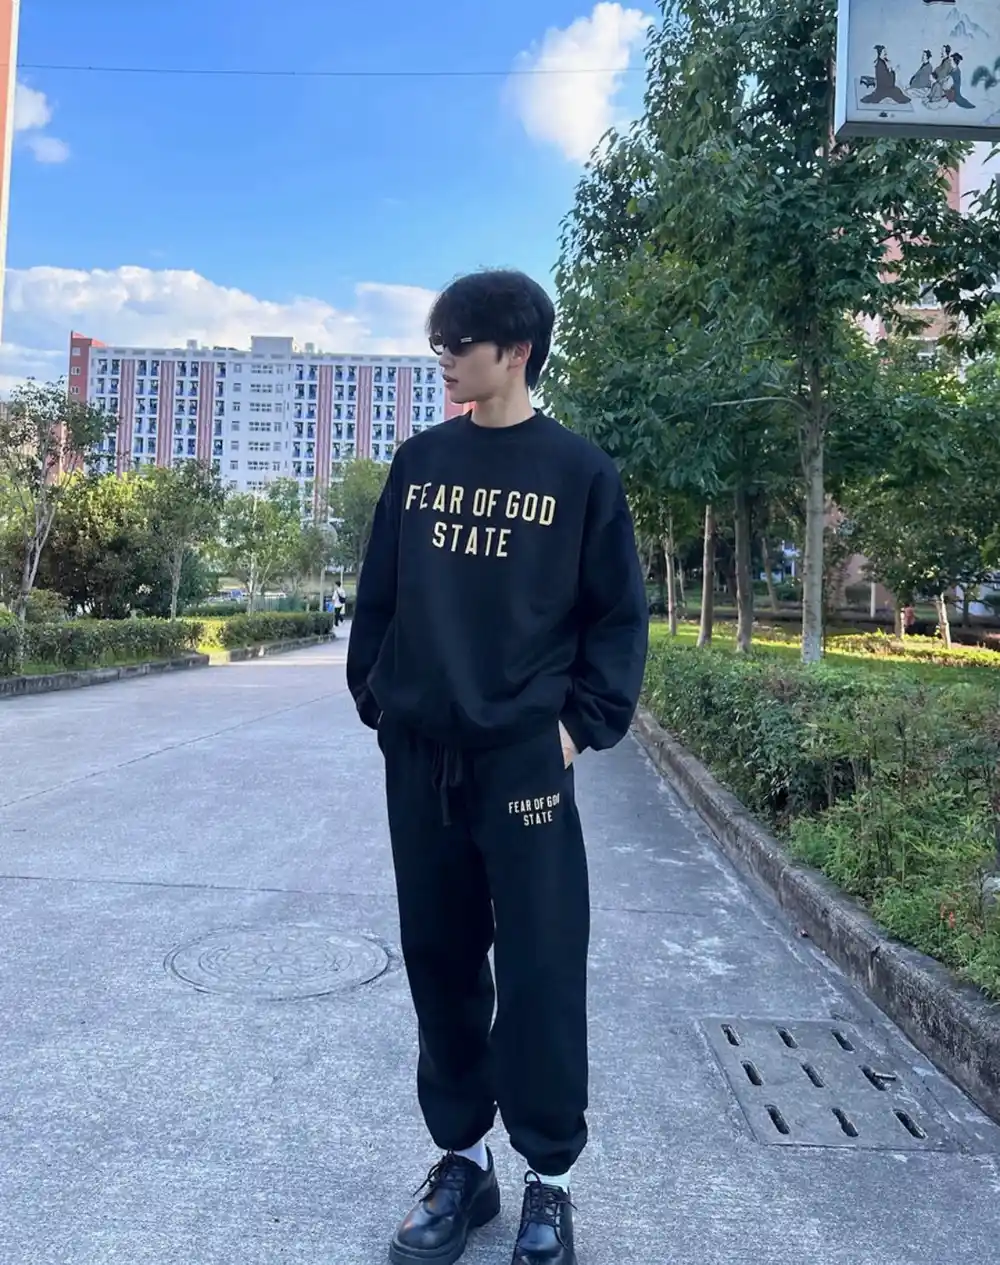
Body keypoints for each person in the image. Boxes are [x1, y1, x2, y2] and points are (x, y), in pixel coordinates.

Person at [346, 268, 649, 1265]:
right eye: (439, 342)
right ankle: (463, 1163)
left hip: (524, 761)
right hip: (422, 757)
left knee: (539, 966)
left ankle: (548, 1178)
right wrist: (382, 702)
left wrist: (574, 731)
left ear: (514, 351)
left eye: (459, 344)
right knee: (438, 958)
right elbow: (380, 594)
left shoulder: (578, 471)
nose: (443, 358)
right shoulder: (421, 461)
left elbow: (617, 618)